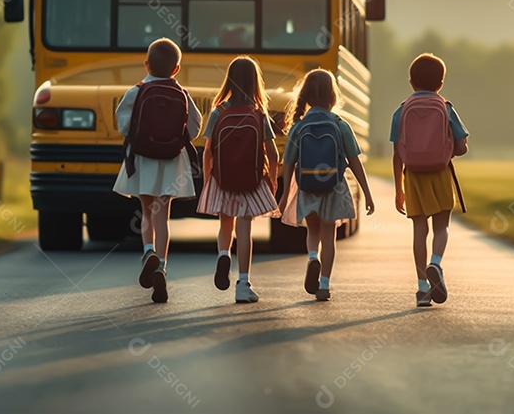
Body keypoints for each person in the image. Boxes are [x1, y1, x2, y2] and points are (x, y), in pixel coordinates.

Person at [113, 38, 202, 304]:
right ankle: (161, 265)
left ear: (146, 64)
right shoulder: (183, 94)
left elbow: (124, 126)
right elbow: (194, 129)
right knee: (162, 215)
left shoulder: (136, 92)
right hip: (172, 162)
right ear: (176, 69)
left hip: (143, 159)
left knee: (146, 211)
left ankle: (148, 251)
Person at [277, 69, 375, 301]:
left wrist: (283, 195)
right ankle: (324, 284)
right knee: (329, 238)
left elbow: (288, 163)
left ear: (306, 97)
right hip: (333, 187)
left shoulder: (298, 127)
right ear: (333, 97)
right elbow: (355, 163)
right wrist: (367, 193)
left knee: (313, 230)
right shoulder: (340, 125)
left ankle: (313, 258)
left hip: (307, 187)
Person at [197, 56, 280, 303]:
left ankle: (224, 254)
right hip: (251, 180)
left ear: (229, 81)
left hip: (222, 179)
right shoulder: (259, 114)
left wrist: (208, 180)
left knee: (226, 224)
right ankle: (243, 283)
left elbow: (208, 151)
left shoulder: (218, 112)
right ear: (256, 82)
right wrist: (272, 181)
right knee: (245, 229)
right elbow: (273, 154)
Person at [390, 53, 469, 307]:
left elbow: (396, 154)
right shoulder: (446, 107)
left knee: (418, 230)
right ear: (441, 84)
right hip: (440, 173)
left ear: (411, 82)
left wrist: (398, 190)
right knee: (441, 226)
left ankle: (422, 288)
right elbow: (461, 146)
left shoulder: (401, 111)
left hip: (413, 176)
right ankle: (436, 262)